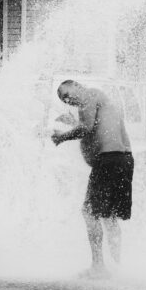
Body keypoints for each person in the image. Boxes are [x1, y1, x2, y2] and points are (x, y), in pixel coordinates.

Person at [50, 80, 134, 277]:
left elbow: (86, 128)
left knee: (89, 213)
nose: (67, 100)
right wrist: (73, 124)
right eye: (64, 100)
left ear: (77, 85)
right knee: (110, 217)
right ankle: (116, 266)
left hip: (109, 160)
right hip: (123, 160)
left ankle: (98, 267)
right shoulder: (99, 100)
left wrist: (62, 137)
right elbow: (96, 130)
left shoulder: (89, 94)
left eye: (67, 94)